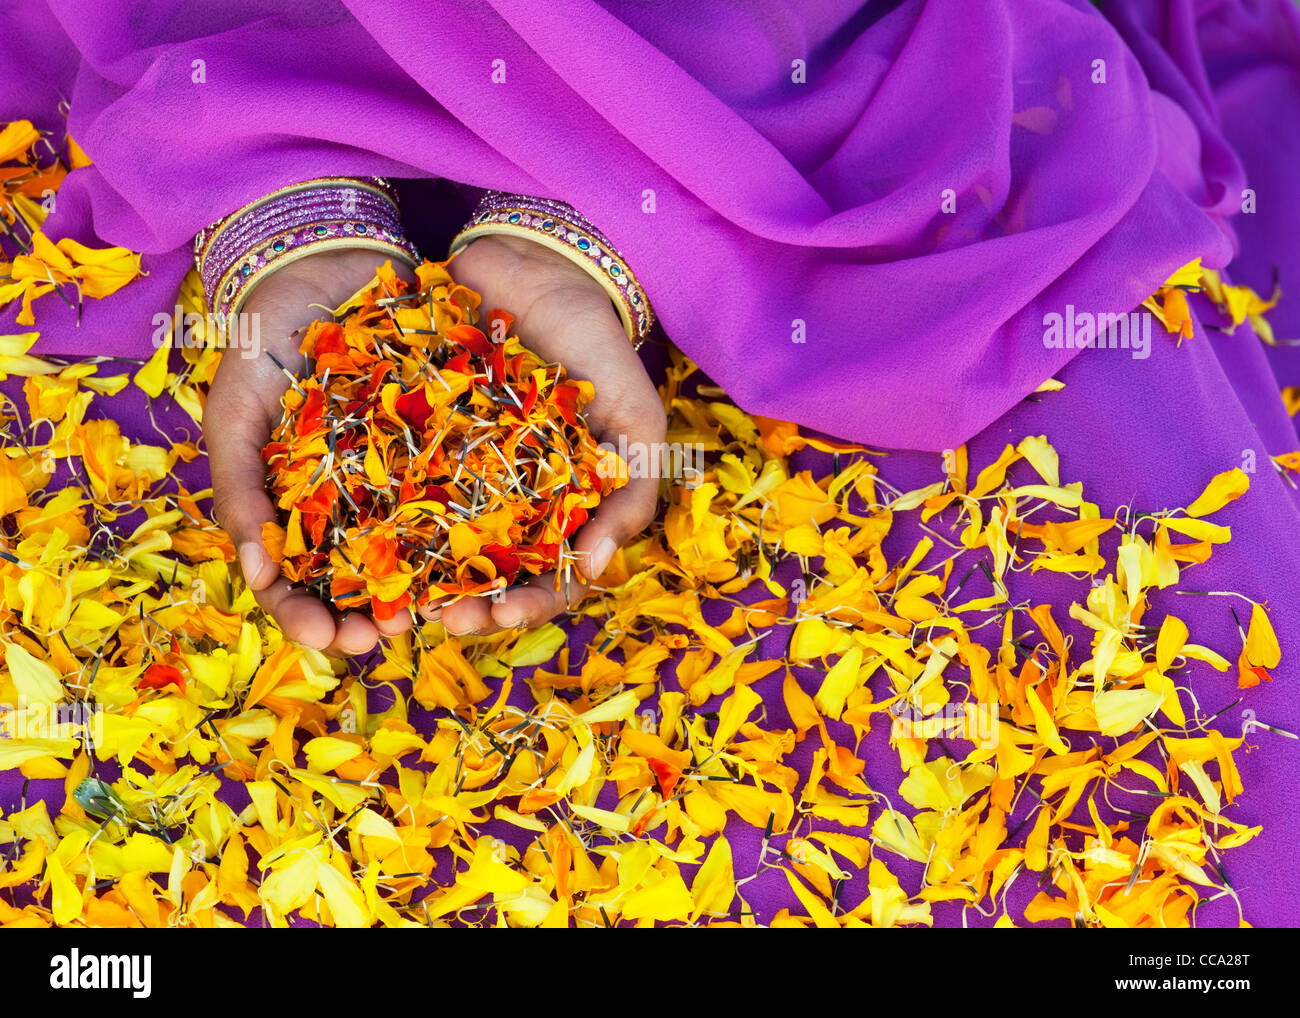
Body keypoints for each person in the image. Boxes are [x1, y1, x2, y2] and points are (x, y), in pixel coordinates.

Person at [4, 0, 1299, 927]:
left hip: (814, 86)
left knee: (1160, 704)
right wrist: (286, 227)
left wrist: (588, 220)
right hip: (238, 55)